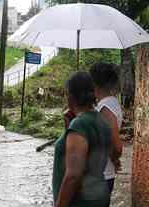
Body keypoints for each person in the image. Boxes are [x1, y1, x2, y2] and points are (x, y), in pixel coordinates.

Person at [53, 72, 111, 207]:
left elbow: (73, 175)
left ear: (71, 97)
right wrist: (69, 127)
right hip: (99, 196)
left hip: (80, 201)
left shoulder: (80, 124)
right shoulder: (102, 121)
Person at [90, 63, 123, 206]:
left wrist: (115, 159)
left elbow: (115, 145)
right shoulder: (108, 103)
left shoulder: (105, 108)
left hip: (101, 175)